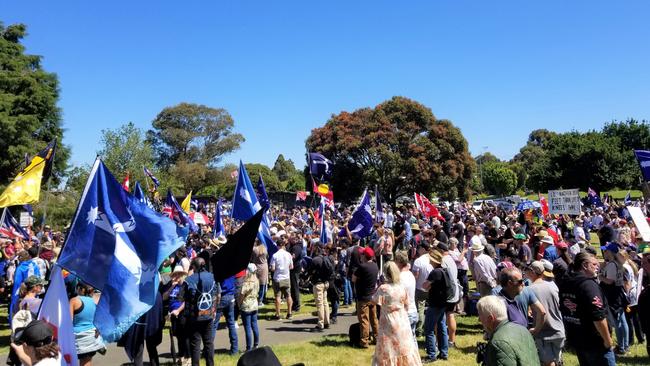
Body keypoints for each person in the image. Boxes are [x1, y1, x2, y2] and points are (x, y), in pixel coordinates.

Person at [559, 252, 616, 366]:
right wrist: (607, 340)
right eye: (594, 264)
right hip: (596, 343)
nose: (598, 266)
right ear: (585, 265)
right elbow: (598, 316)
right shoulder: (588, 285)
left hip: (579, 340)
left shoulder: (565, 282)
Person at [371, 261, 422, 366]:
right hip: (402, 321)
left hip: (388, 323)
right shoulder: (401, 287)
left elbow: (373, 300)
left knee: (387, 351)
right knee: (404, 349)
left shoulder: (383, 289)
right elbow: (407, 305)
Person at [477, 295, 540, 366]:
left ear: (490, 319)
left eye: (480, 316)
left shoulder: (498, 342)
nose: (479, 320)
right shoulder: (523, 329)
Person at [526, 261, 566, 366]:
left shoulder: (529, 289)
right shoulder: (553, 285)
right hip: (559, 329)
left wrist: (535, 329)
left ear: (532, 272)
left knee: (549, 363)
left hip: (544, 332)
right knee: (557, 361)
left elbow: (540, 312)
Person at [185, 257, 218, 365]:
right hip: (208, 314)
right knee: (209, 343)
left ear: (194, 266)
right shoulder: (213, 277)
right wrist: (214, 309)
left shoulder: (189, 279)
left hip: (195, 316)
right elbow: (217, 294)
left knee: (195, 344)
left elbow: (185, 298)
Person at [599, 242, 629, 355]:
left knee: (618, 322)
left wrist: (600, 276)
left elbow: (610, 281)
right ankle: (624, 345)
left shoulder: (612, 265)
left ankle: (621, 347)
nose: (604, 252)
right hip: (618, 293)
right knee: (622, 320)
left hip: (613, 295)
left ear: (610, 252)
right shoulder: (616, 263)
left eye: (606, 251)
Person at [422, 249, 449, 362]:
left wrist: (429, 286)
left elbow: (424, 285)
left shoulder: (435, 272)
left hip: (434, 304)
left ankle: (431, 354)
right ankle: (443, 353)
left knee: (429, 330)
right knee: (442, 327)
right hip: (442, 303)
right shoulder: (444, 271)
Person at [70, 282, 105, 366]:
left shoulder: (74, 300)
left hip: (78, 337)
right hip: (91, 336)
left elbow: (68, 321)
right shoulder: (95, 300)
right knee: (87, 362)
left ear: (80, 289)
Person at [352, 247, 379, 349]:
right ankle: (376, 337)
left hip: (363, 297)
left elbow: (354, 279)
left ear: (364, 256)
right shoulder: (375, 266)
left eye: (362, 255)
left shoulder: (362, 267)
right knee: (374, 319)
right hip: (372, 296)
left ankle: (364, 341)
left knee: (364, 319)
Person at [161, 270, 189, 366]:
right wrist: (172, 286)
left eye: (178, 274)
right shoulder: (173, 286)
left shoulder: (185, 286)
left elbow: (187, 301)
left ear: (182, 275)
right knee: (178, 336)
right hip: (173, 315)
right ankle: (181, 357)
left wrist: (178, 310)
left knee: (185, 336)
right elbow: (164, 297)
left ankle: (188, 358)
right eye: (175, 274)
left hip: (182, 314)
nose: (176, 276)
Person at [394, 250, 418, 347]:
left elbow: (397, 296)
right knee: (412, 339)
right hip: (413, 310)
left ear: (398, 262)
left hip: (405, 312)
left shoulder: (400, 277)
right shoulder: (410, 274)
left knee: (404, 342)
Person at [309, 246, 333, 331]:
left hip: (318, 283)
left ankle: (320, 324)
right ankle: (327, 322)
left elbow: (310, 271)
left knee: (319, 304)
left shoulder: (315, 260)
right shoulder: (326, 258)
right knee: (325, 302)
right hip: (326, 282)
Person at [213, 274, 239, 355]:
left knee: (213, 325)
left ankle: (208, 349)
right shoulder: (231, 269)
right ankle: (235, 349)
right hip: (230, 296)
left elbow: (217, 285)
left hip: (222, 297)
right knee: (231, 324)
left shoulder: (220, 270)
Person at [269, 238, 294, 320]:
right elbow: (291, 267)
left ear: (277, 246)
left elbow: (272, 268)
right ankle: (289, 313)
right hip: (286, 277)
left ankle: (278, 314)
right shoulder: (289, 254)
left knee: (277, 296)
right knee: (288, 295)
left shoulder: (275, 255)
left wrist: (274, 268)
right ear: (283, 245)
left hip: (278, 277)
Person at [411, 242, 432, 336]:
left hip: (419, 288)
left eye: (419, 248)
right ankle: (430, 327)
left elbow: (415, 276)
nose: (418, 250)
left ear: (423, 249)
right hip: (431, 287)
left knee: (419, 309)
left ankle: (419, 330)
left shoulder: (418, 261)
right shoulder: (432, 259)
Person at [238, 263, 260, 352]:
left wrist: (239, 304)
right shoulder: (257, 281)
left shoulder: (246, 283)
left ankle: (248, 348)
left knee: (247, 327)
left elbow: (242, 295)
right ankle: (256, 344)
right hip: (254, 304)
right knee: (254, 325)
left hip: (246, 306)